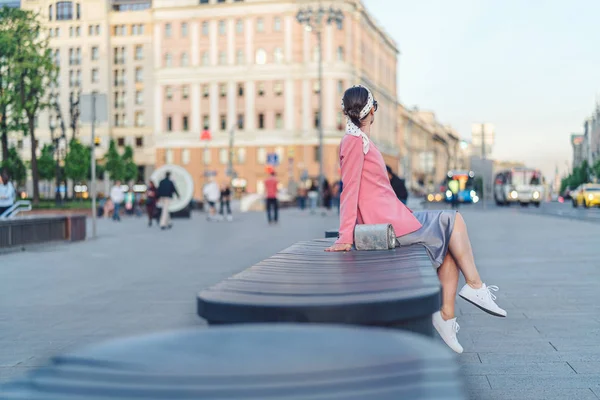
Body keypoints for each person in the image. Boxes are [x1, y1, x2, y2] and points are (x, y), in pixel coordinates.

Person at [325, 85, 506, 354]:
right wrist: (345, 237)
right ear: (372, 109)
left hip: (395, 217)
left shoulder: (358, 139)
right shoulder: (353, 142)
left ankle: (446, 316)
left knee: (449, 248)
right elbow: (349, 189)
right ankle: (475, 286)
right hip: (386, 224)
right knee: (453, 220)